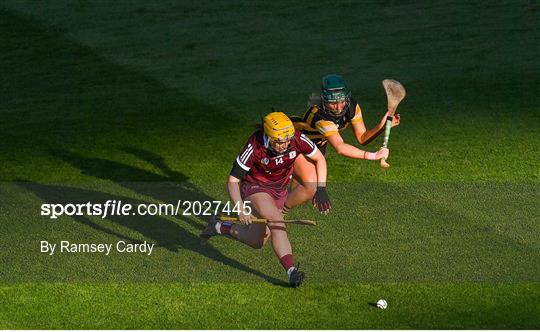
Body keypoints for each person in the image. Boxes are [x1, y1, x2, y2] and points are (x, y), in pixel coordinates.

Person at [200, 112, 330, 287]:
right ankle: (292, 271)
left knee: (256, 242)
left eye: (287, 140)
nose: (285, 145)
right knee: (277, 223)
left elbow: (319, 159)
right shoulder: (255, 146)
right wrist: (240, 208)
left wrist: (321, 188)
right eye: (279, 141)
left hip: (279, 190)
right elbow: (233, 180)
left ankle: (219, 226)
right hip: (255, 188)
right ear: (268, 137)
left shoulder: (295, 139)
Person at [284, 74, 400, 213]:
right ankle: (276, 216)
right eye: (333, 103)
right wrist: (373, 155)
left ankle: (271, 215)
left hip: (315, 148)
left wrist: (381, 126)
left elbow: (362, 138)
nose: (339, 107)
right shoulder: (319, 115)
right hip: (293, 144)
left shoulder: (351, 105)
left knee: (295, 191)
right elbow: (340, 147)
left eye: (341, 101)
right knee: (310, 187)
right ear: (324, 101)